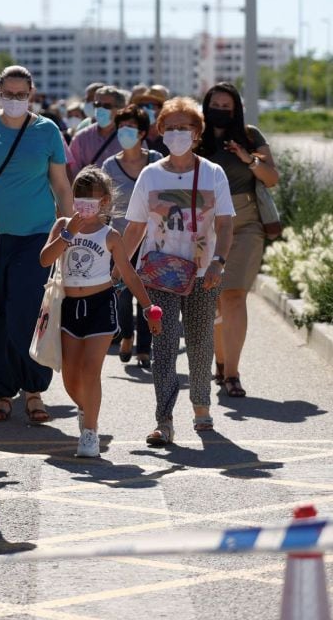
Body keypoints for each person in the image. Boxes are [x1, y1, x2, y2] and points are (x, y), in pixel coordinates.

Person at [121, 96, 235, 446]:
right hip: (158, 274)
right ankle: (164, 420)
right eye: (170, 128)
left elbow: (226, 222)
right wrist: (118, 266)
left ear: (197, 133)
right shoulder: (150, 175)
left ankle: (201, 407)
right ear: (160, 133)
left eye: (184, 128)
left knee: (200, 343)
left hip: (203, 274)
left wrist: (219, 261)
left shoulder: (213, 173)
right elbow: (136, 226)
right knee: (164, 345)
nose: (177, 134)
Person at [0, 66, 73, 423]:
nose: (14, 100)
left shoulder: (46, 131)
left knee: (26, 313)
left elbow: (60, 185)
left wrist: (70, 234)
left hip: (36, 237)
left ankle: (34, 389)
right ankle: (1, 392)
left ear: (32, 93)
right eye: (8, 94)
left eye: (21, 94)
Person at [39, 167, 162, 457]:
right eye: (79, 197)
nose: (84, 204)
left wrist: (148, 308)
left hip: (100, 305)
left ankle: (90, 433)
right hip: (69, 307)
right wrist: (68, 234)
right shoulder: (62, 226)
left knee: (91, 370)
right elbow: (45, 259)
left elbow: (129, 274)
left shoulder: (111, 235)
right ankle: (86, 409)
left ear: (105, 202)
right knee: (70, 375)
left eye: (91, 200)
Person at [199, 82, 279, 398]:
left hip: (245, 222)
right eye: (214, 104)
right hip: (206, 224)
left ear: (236, 109)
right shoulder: (195, 136)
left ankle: (232, 373)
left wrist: (249, 159)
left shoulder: (250, 135)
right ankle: (220, 361)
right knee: (214, 298)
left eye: (226, 105)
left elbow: (272, 178)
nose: (220, 110)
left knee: (233, 296)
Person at [102, 104, 163, 368]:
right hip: (121, 238)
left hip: (152, 239)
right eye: (121, 127)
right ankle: (127, 334)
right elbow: (105, 201)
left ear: (141, 133)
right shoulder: (109, 165)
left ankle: (144, 348)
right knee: (123, 293)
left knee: (147, 293)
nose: (125, 132)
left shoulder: (156, 159)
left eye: (131, 128)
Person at [67, 85, 128, 178]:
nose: (100, 109)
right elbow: (72, 174)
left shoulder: (131, 136)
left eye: (107, 106)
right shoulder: (81, 138)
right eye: (97, 104)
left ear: (120, 109)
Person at [133, 85, 170, 156]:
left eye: (150, 106)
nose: (144, 109)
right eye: (141, 105)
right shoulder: (133, 136)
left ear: (162, 109)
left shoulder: (172, 136)